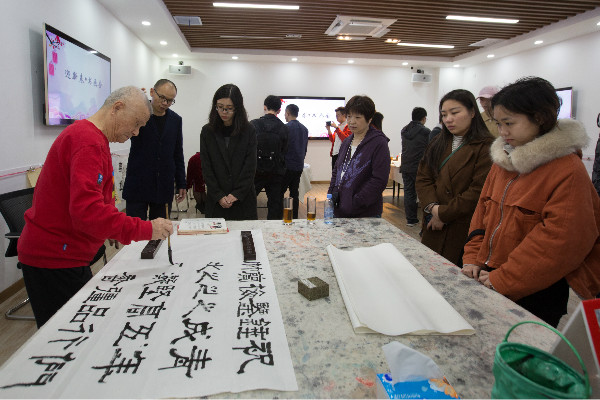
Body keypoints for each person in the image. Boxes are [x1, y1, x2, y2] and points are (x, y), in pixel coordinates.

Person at [17, 86, 174, 328]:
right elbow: (87, 213)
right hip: (55, 256)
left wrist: (109, 228)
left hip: (67, 253)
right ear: (117, 108)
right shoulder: (87, 142)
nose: (135, 132)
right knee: (67, 333)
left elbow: (96, 201)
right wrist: (147, 229)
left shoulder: (93, 138)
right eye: (136, 124)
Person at [462, 77, 600, 327]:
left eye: (509, 123)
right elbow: (483, 211)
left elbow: (560, 241)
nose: (502, 132)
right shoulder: (504, 161)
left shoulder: (567, 169)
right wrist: (472, 257)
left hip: (537, 289)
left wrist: (504, 279)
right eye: (498, 123)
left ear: (539, 118)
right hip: (488, 274)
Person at [416, 89, 494, 266]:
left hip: (461, 225)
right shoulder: (438, 142)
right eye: (444, 115)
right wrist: (433, 208)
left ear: (472, 112)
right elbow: (423, 177)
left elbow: (477, 191)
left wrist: (443, 214)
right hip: (432, 221)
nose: (448, 119)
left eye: (455, 113)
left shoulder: (486, 147)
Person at [123, 79, 186, 220]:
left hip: (163, 185)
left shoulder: (176, 120)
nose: (165, 103)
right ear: (152, 92)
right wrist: (132, 106)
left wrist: (181, 182)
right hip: (138, 183)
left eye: (170, 100)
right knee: (135, 229)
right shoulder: (139, 114)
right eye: (162, 97)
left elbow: (177, 153)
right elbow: (125, 133)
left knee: (160, 229)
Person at [200, 84, 258, 220]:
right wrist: (218, 195)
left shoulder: (249, 130)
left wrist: (236, 194)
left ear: (237, 108)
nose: (224, 112)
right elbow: (206, 167)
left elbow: (250, 167)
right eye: (220, 107)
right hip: (216, 200)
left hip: (243, 199)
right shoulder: (207, 131)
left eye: (229, 108)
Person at [328, 95, 390, 218]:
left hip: (365, 212)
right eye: (349, 116)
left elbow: (379, 180)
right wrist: (331, 194)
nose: (352, 121)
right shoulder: (347, 141)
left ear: (369, 119)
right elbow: (337, 170)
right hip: (340, 209)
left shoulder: (378, 142)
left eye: (357, 117)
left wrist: (356, 202)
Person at [252, 95, 288, 220]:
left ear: (264, 107)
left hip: (256, 171)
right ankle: (273, 229)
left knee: (249, 200)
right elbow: (284, 151)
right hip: (276, 172)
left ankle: (250, 226)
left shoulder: (253, 124)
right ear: (279, 110)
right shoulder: (284, 128)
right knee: (275, 204)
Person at [401, 107, 431, 227]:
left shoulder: (404, 130)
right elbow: (430, 149)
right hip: (419, 167)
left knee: (409, 192)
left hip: (406, 165)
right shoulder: (426, 131)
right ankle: (426, 221)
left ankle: (411, 219)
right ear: (423, 118)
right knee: (423, 193)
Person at [281, 103, 309, 219]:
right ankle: (295, 217)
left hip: (286, 166)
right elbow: (305, 148)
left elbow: (282, 148)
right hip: (298, 165)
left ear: (287, 113)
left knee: (279, 192)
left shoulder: (285, 128)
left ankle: (281, 216)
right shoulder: (304, 129)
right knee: (294, 193)